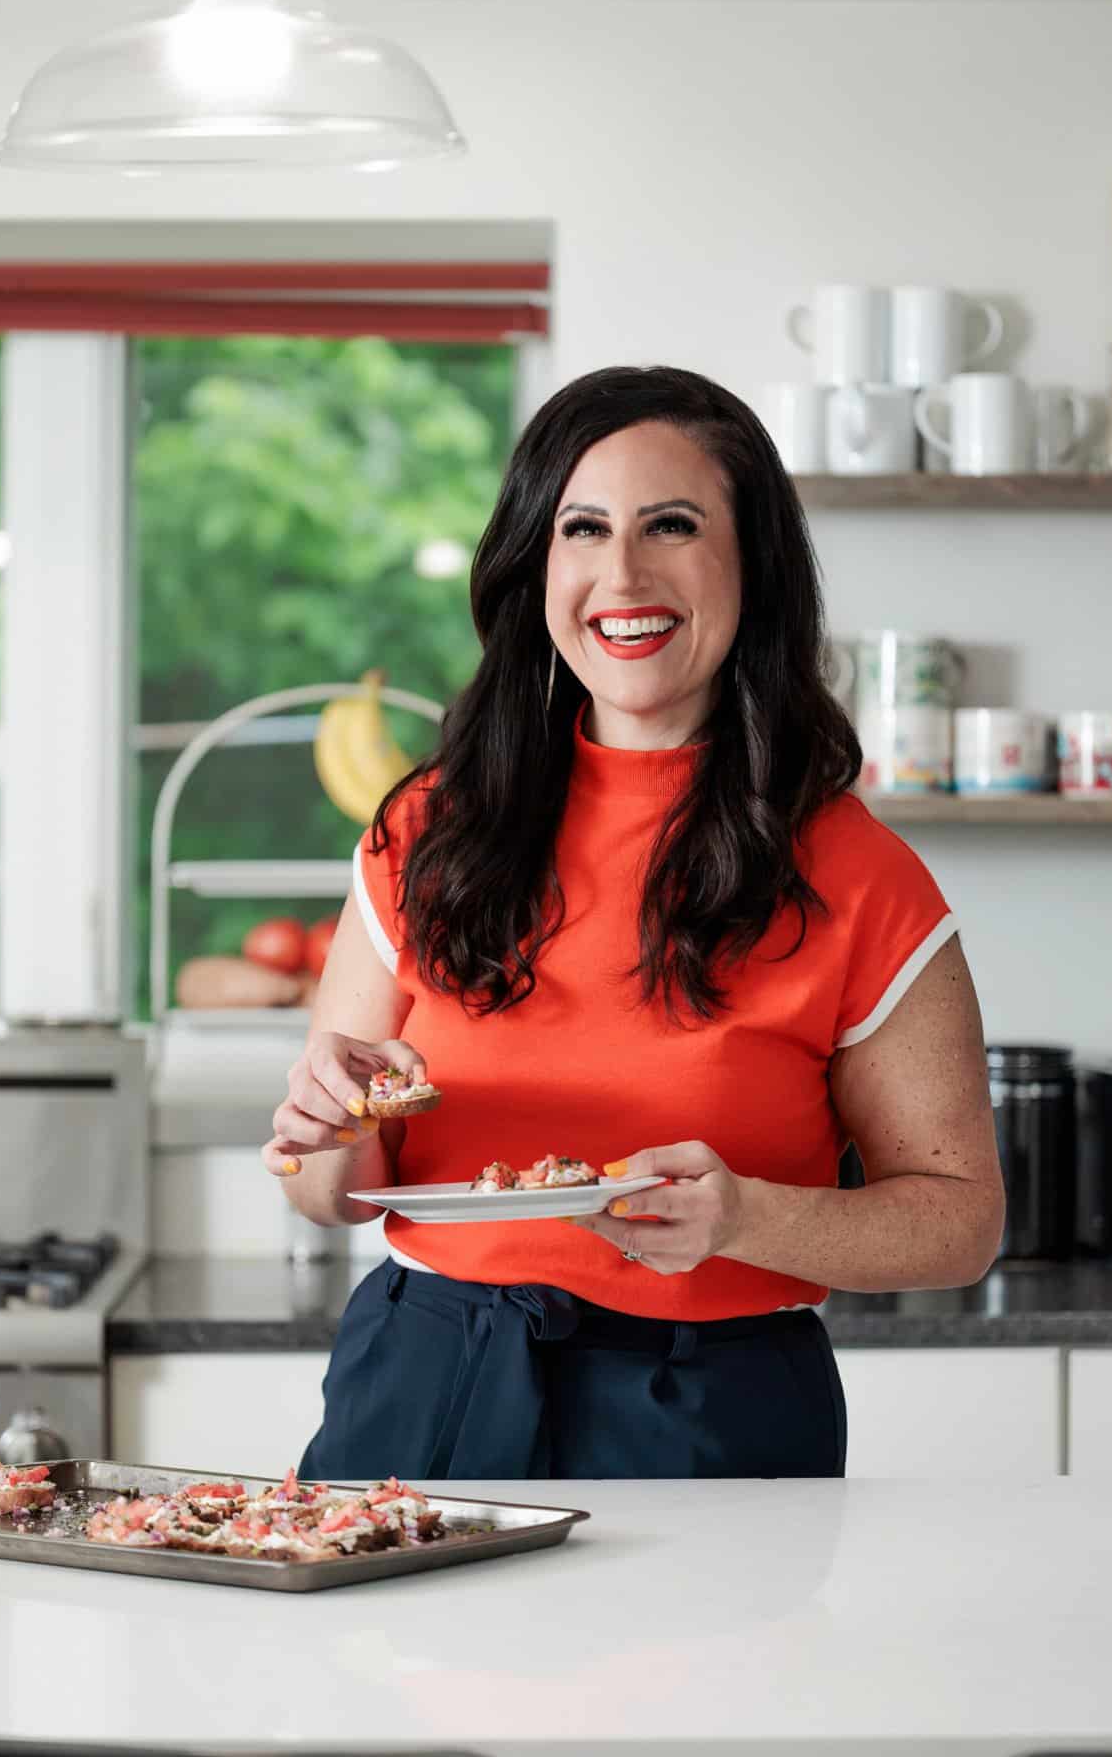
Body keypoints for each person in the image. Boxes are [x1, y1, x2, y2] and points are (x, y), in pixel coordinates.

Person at [263, 364, 1005, 1482]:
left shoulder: (857, 871)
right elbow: (331, 1191)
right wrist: (329, 1124)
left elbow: (959, 1224)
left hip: (710, 1402)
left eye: (672, 525)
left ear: (751, 562)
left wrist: (744, 1217)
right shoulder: (429, 829)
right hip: (424, 1379)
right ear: (537, 563)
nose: (623, 573)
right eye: (584, 527)